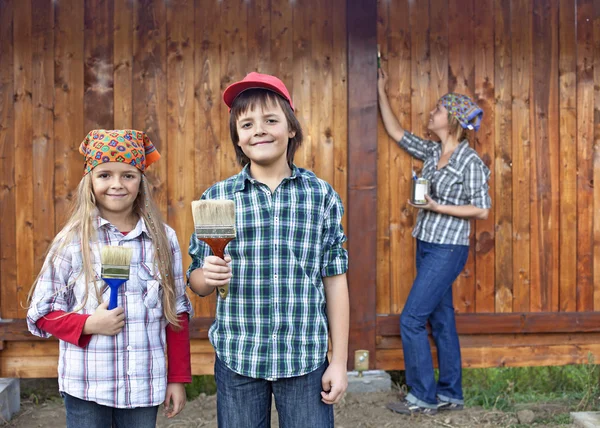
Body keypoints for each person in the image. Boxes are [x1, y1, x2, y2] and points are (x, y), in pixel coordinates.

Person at [187, 72, 349, 428]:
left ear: (291, 129)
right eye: (247, 124)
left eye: (271, 120)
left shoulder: (320, 196)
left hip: (304, 357)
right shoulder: (218, 198)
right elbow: (196, 281)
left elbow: (334, 281)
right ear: (239, 140)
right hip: (238, 357)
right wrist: (207, 275)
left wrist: (338, 361)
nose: (259, 129)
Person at [27, 129, 193, 428]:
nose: (116, 184)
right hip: (87, 386)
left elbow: (177, 312)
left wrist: (178, 378)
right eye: (105, 175)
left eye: (128, 175)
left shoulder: (163, 239)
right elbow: (40, 314)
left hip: (143, 386)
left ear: (141, 181)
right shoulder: (72, 241)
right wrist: (88, 324)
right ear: (89, 180)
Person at [377, 68, 491, 415]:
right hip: (425, 242)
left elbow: (482, 209)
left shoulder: (468, 160)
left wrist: (438, 206)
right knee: (441, 320)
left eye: (438, 110)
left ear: (453, 120)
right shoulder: (431, 152)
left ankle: (422, 397)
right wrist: (381, 90)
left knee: (411, 319)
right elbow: (396, 132)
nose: (432, 113)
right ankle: (451, 394)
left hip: (448, 248)